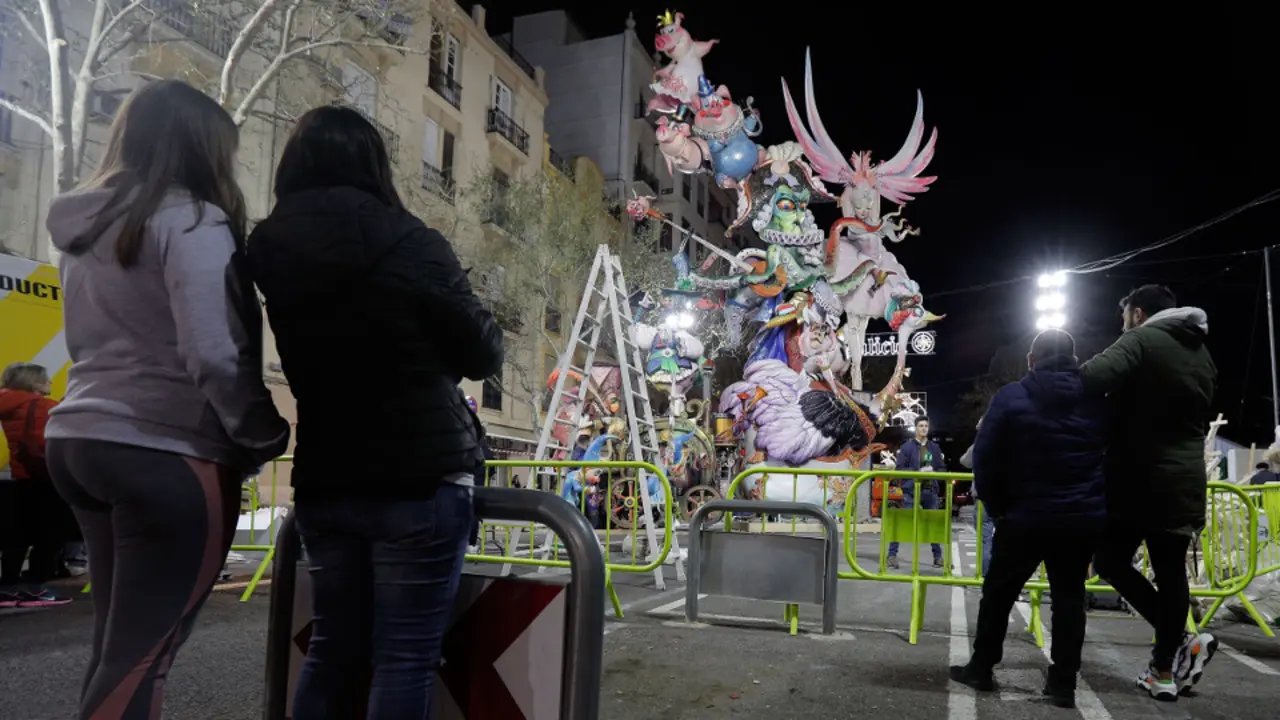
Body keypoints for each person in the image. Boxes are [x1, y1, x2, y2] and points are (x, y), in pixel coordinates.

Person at [43, 80, 291, 719]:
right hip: (165, 445)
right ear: (203, 150)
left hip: (80, 438)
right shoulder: (193, 220)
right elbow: (211, 351)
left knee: (117, 647)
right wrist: (259, 432)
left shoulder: (84, 227)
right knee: (144, 657)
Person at [248, 105, 503, 719]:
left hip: (326, 476)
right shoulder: (412, 242)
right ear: (375, 165)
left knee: (332, 647)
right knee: (404, 657)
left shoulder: (268, 250)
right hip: (419, 473)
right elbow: (481, 350)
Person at [949, 329, 1107, 708]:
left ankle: (982, 666)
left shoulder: (1011, 397)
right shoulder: (1096, 398)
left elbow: (984, 457)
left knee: (999, 594)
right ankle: (1063, 684)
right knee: (1069, 600)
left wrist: (999, 506)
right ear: (1073, 358)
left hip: (1023, 515)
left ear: (1031, 360)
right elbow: (1113, 454)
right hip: (1078, 517)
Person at [1082, 285, 1218, 701]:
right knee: (1172, 570)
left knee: (1108, 560)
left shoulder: (1140, 339)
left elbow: (1092, 376)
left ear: (1138, 314)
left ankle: (1176, 641)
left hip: (1138, 478)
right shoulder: (1201, 352)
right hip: (1185, 480)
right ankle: (1162, 670)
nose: (1122, 324)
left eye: (1124, 317)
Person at [0, 362, 74, 607]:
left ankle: (9, 588)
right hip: (48, 475)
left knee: (18, 533)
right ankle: (34, 587)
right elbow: (64, 425)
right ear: (33, 383)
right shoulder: (40, 405)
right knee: (51, 531)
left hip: (23, 476)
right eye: (46, 380)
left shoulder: (10, 405)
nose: (50, 383)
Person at [887, 416, 945, 569]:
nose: (924, 428)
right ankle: (891, 555)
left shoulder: (934, 448)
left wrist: (935, 472)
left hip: (930, 490)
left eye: (926, 426)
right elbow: (899, 469)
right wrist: (917, 471)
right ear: (915, 428)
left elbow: (942, 468)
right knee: (903, 522)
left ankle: (938, 557)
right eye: (921, 426)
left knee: (933, 525)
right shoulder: (907, 447)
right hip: (911, 490)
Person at [959, 416, 996, 578]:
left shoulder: (979, 447)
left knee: (985, 540)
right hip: (1006, 499)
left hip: (983, 497)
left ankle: (987, 576)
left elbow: (964, 461)